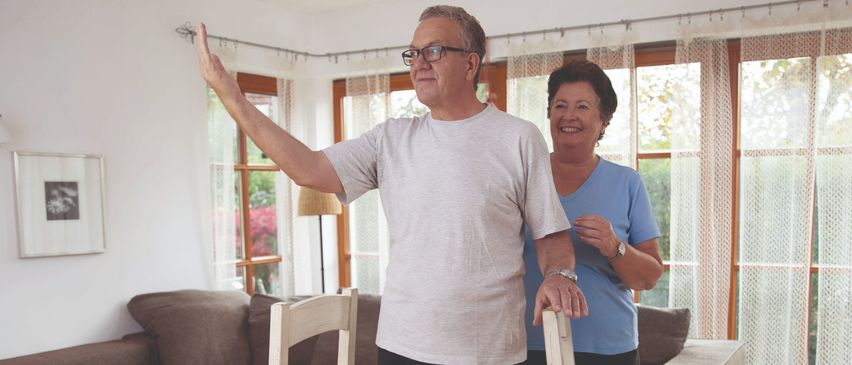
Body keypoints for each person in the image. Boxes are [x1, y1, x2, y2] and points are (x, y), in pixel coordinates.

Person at [196, 5, 588, 364]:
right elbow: (309, 169)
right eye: (413, 53)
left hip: (489, 351)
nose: (418, 64)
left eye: (433, 51)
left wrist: (559, 275)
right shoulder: (390, 139)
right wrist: (230, 96)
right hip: (401, 346)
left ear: (471, 64)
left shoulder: (518, 138)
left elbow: (551, 236)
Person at [522, 61, 664, 365]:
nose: (569, 115)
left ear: (604, 120)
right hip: (528, 342)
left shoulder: (626, 182)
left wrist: (615, 247)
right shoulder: (523, 178)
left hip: (609, 347)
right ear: (549, 114)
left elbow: (649, 278)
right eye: (560, 105)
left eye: (582, 107)